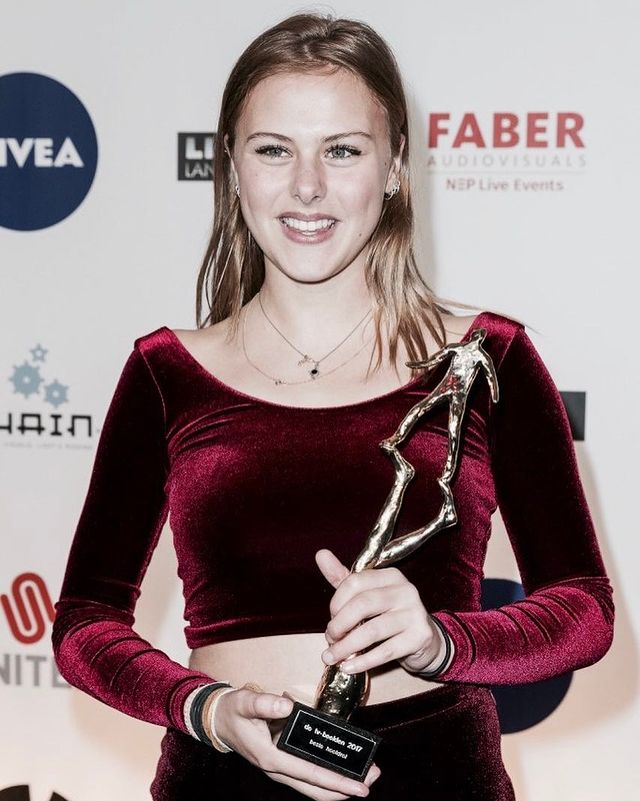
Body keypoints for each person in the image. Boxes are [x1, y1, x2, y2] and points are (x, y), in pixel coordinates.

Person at [51, 12, 614, 801]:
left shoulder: (489, 360)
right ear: (230, 166)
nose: (306, 186)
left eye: (342, 150)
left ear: (393, 168)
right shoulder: (164, 371)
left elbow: (583, 610)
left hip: (437, 774)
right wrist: (204, 709)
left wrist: (440, 642)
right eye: (274, 149)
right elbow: (82, 624)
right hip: (219, 777)